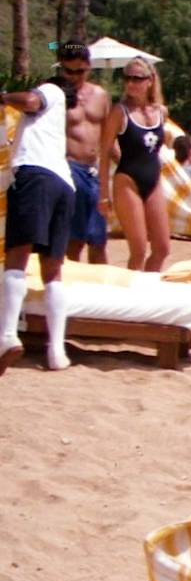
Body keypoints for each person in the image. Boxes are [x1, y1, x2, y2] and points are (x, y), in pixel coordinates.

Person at [0, 70, 78, 374]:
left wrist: (4, 97)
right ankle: (56, 350)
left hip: (35, 175)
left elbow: (32, 101)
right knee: (53, 269)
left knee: (17, 257)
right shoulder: (56, 125)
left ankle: (7, 335)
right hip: (64, 184)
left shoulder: (51, 91)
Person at [99, 57, 170, 272]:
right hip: (127, 181)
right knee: (138, 250)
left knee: (162, 249)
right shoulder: (119, 112)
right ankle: (131, 291)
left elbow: (159, 149)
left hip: (153, 180)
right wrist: (103, 194)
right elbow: (104, 153)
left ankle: (147, 289)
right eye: (127, 77)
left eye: (137, 78)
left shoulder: (161, 112)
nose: (130, 83)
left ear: (150, 80)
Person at [58, 41, 108, 266]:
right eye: (69, 71)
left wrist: (126, 165)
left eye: (80, 71)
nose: (75, 77)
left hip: (94, 171)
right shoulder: (56, 95)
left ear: (89, 66)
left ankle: (102, 285)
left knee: (98, 239)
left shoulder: (100, 94)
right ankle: (70, 282)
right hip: (70, 168)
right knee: (74, 239)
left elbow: (108, 137)